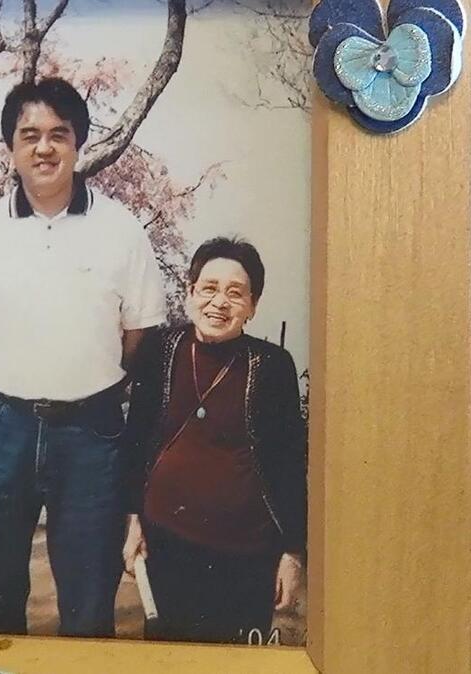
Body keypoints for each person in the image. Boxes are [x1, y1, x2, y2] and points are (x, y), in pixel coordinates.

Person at [0, 77, 167, 638]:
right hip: (3, 432)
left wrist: (81, 375)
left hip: (91, 436)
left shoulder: (121, 231)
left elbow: (138, 334)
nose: (44, 148)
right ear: (12, 148)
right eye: (30, 135)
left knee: (90, 602)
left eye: (58, 134)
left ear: (77, 142)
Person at [121, 236, 307, 644]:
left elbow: (291, 464)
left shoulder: (274, 367)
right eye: (208, 288)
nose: (218, 302)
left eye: (235, 293)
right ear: (190, 293)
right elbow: (136, 439)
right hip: (167, 545)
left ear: (253, 306)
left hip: (246, 557)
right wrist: (132, 519)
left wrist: (293, 554)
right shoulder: (160, 350)